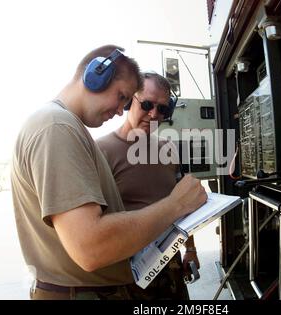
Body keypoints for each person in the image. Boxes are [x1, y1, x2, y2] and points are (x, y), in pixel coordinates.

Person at [11, 45, 207, 300]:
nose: (119, 110)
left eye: (162, 109)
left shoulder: (66, 128)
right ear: (95, 76)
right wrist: (175, 205)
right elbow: (90, 248)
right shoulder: (57, 128)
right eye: (122, 97)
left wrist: (188, 245)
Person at [96, 72, 200, 300]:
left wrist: (190, 249)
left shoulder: (169, 150)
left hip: (169, 270)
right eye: (146, 104)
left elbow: (185, 205)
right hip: (125, 277)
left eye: (162, 109)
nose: (153, 114)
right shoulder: (100, 152)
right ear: (127, 102)